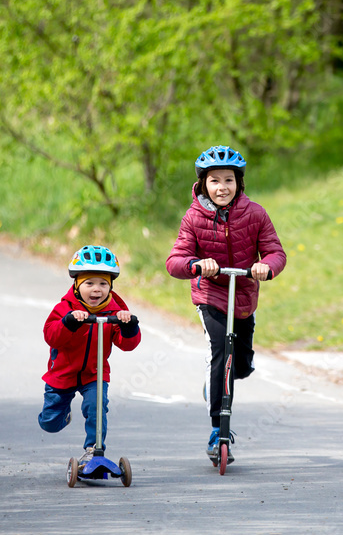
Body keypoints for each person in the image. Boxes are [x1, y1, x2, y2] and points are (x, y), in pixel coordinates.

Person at [166, 145, 286, 461]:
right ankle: (218, 429)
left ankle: (217, 385)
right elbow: (175, 260)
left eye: (229, 180)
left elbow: (276, 251)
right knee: (221, 349)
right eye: (215, 181)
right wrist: (195, 264)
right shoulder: (193, 217)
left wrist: (267, 266)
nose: (222, 187)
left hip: (243, 295)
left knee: (241, 365)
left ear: (239, 183)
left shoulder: (256, 213)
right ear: (204, 184)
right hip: (211, 295)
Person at [38, 245, 141, 465]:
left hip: (94, 374)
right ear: (76, 285)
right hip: (62, 375)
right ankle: (64, 414)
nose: (97, 289)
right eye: (89, 283)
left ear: (111, 285)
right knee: (49, 422)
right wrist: (68, 323)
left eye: (103, 283)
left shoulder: (115, 312)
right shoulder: (64, 308)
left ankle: (94, 451)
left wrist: (129, 327)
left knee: (97, 407)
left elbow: (127, 344)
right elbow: (51, 336)